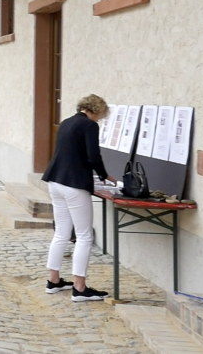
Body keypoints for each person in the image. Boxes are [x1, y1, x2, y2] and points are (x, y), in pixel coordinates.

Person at [41, 94, 117, 302]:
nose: (101, 119)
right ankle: (80, 288)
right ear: (97, 110)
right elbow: (93, 156)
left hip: (55, 181)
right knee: (84, 236)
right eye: (102, 115)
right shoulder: (89, 126)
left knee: (61, 233)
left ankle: (53, 281)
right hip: (74, 184)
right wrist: (104, 175)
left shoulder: (67, 122)